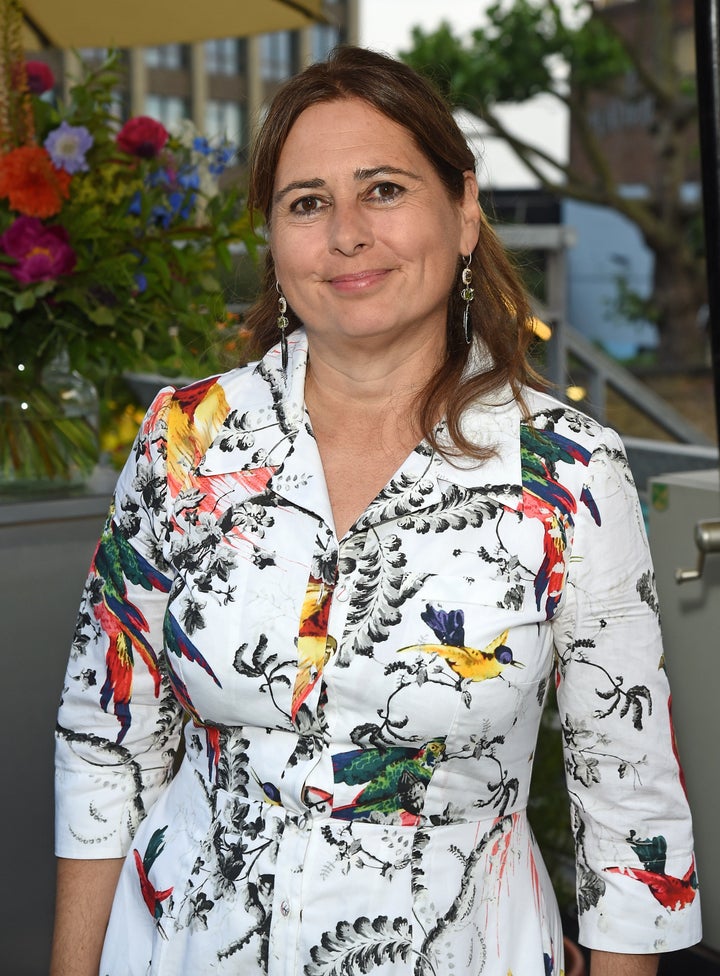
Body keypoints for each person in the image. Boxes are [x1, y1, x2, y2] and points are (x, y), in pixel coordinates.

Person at [51, 45, 702, 976]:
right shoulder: (185, 439)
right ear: (275, 243)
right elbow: (105, 742)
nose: (346, 234)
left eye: (385, 189)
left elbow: (628, 804)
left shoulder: (568, 472)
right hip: (180, 947)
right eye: (307, 203)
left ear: (465, 210)